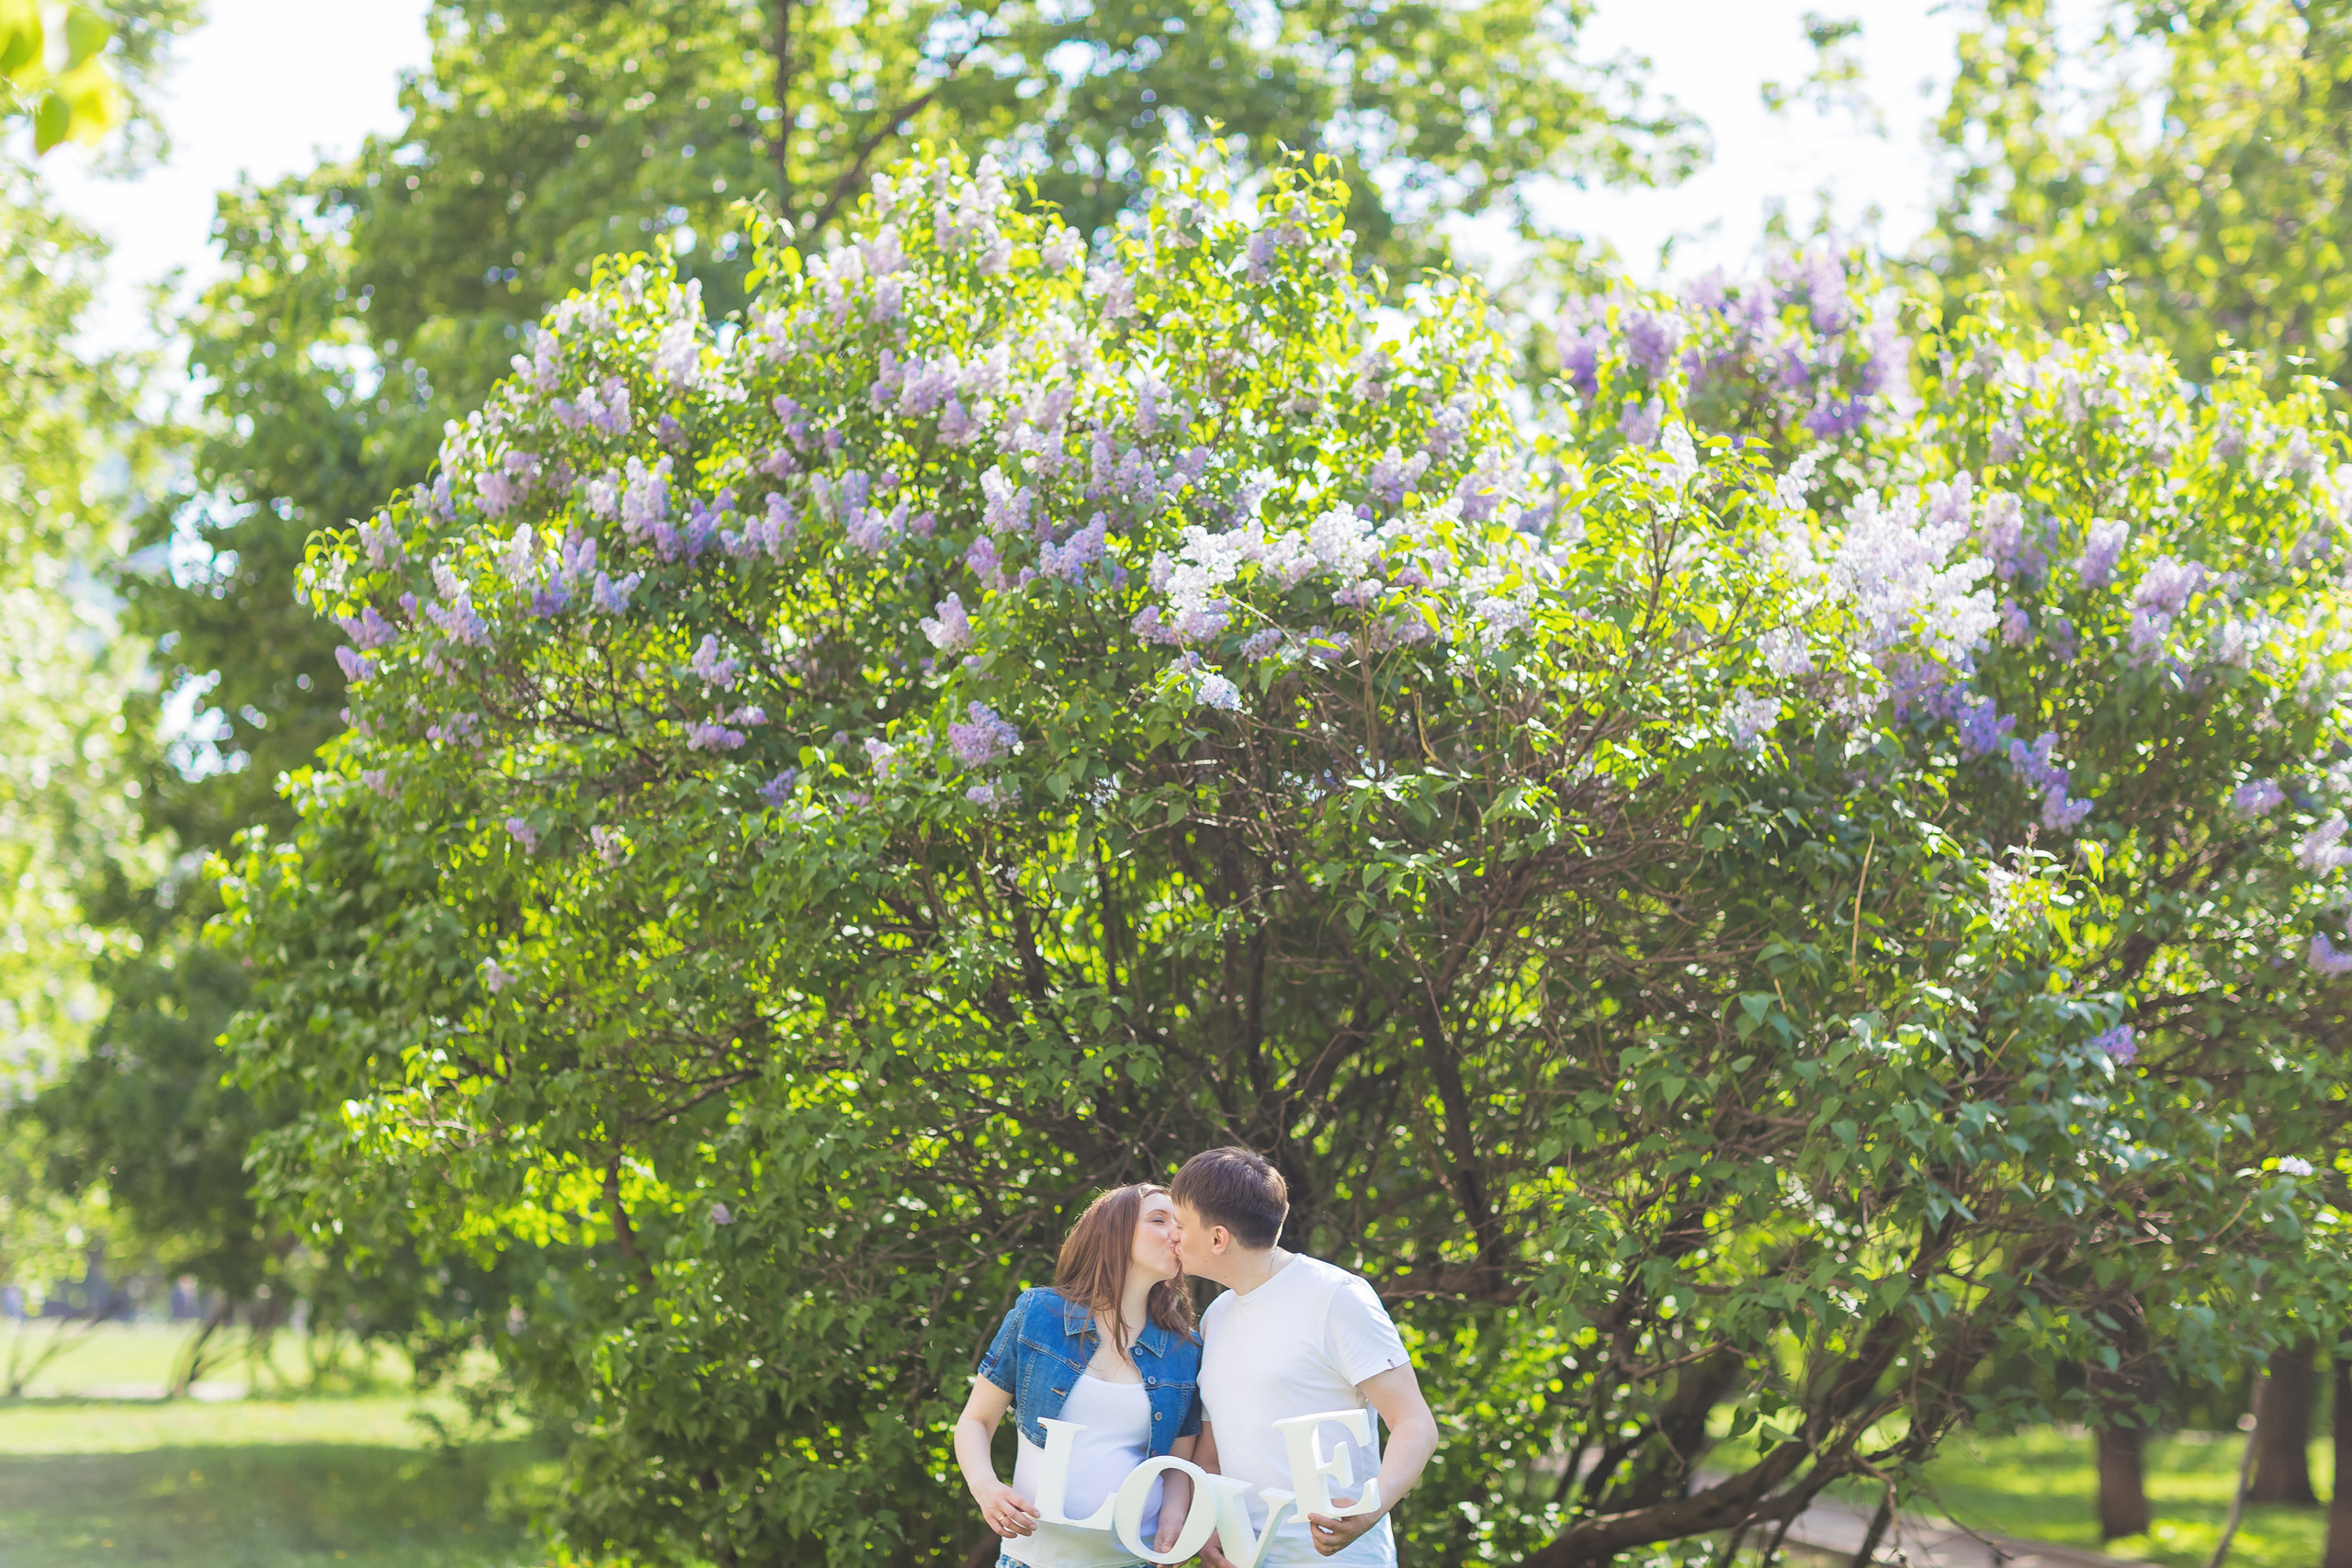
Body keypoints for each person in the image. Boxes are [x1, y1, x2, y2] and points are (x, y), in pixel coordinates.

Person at [1172, 1146, 1439, 1566]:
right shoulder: (1216, 1317)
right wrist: (1210, 1525)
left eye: (1180, 1222)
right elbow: (1212, 1449)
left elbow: (1414, 1423)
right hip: (1248, 1558)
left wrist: (1373, 1504)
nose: (1172, 1234)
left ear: (1218, 1238)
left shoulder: (1337, 1298)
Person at [956, 1183, 1205, 1568]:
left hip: (1134, 1562)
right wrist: (985, 1487)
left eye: (1182, 1224)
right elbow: (976, 1420)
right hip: (1030, 1561)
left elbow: (1178, 1463)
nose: (1176, 1233)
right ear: (1112, 1231)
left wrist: (1175, 1519)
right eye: (1159, 1219)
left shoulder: (1185, 1349)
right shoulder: (1038, 1314)